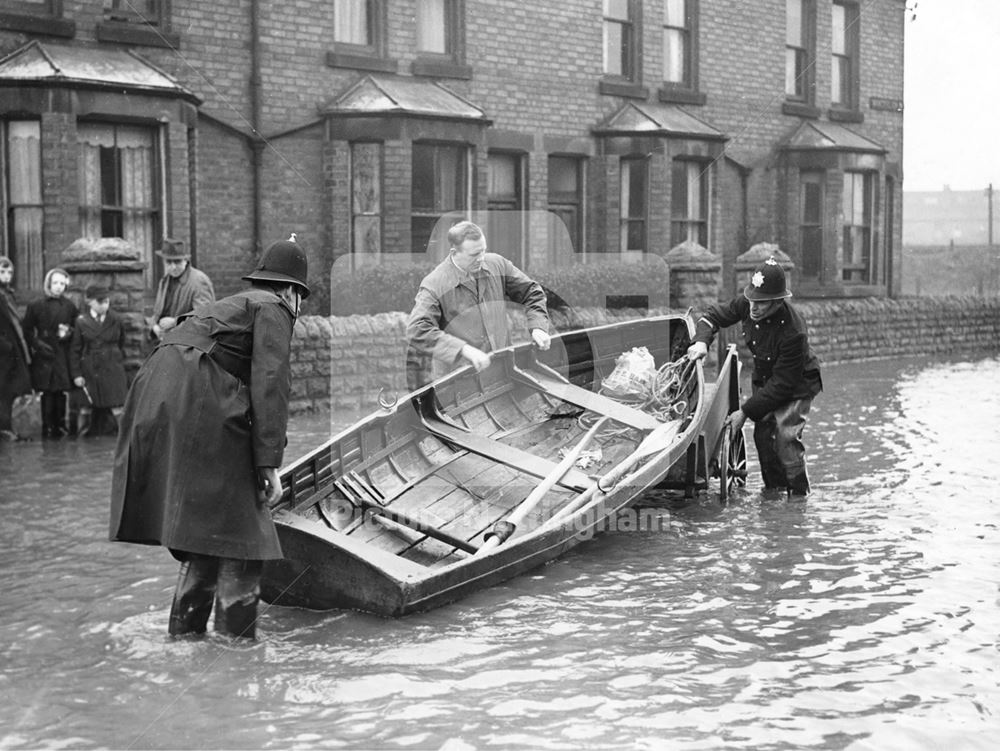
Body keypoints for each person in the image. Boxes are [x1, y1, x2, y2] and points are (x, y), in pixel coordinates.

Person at [110, 237, 308, 640]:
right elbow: (271, 384)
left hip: (153, 398)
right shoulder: (274, 307)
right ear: (291, 291)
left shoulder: (234, 305)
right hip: (196, 399)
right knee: (246, 536)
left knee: (204, 532)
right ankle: (238, 655)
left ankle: (184, 644)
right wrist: (268, 464)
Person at [686, 257, 822, 498]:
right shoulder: (747, 304)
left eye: (761, 303)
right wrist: (701, 342)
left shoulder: (794, 331)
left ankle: (798, 499)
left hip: (796, 384)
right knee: (762, 435)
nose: (753, 308)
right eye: (751, 300)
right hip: (767, 378)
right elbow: (712, 316)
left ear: (778, 301)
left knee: (784, 436)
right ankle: (774, 493)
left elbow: (782, 385)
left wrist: (745, 411)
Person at [405, 220, 551, 388]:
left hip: (503, 374)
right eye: (474, 255)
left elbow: (532, 291)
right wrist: (463, 349)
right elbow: (417, 330)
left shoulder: (497, 264)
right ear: (455, 252)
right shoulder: (435, 284)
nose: (481, 259)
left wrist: (538, 326)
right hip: (458, 385)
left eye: (483, 251)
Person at [22, 267, 78, 438]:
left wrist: (68, 333)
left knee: (60, 390)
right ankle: (47, 426)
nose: (59, 287)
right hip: (44, 353)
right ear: (48, 284)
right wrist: (38, 345)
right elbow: (27, 330)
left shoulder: (69, 306)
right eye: (55, 283)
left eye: (62, 283)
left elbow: (76, 327)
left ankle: (60, 425)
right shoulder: (36, 305)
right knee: (47, 390)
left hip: (61, 351)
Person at [69, 285, 128, 437]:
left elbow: (122, 342)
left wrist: (115, 358)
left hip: (112, 367)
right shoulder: (81, 321)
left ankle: (126, 439)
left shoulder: (116, 319)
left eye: (106, 302)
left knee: (118, 406)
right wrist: (76, 375)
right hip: (90, 368)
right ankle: (82, 441)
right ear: (89, 302)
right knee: (85, 407)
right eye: (100, 302)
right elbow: (75, 350)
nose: (104, 305)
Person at [146, 238, 215, 343]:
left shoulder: (199, 282)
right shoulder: (164, 281)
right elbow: (158, 313)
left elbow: (204, 319)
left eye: (177, 261)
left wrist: (175, 322)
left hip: (187, 346)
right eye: (168, 262)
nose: (173, 267)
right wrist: (154, 326)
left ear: (186, 260)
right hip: (165, 343)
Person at [0, 256, 32, 442]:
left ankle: (6, 427)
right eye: (2, 272)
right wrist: (6, 346)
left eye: (9, 272)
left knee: (10, 392)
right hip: (4, 353)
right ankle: (4, 429)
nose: (6, 276)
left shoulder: (8, 294)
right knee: (3, 391)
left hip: (12, 352)